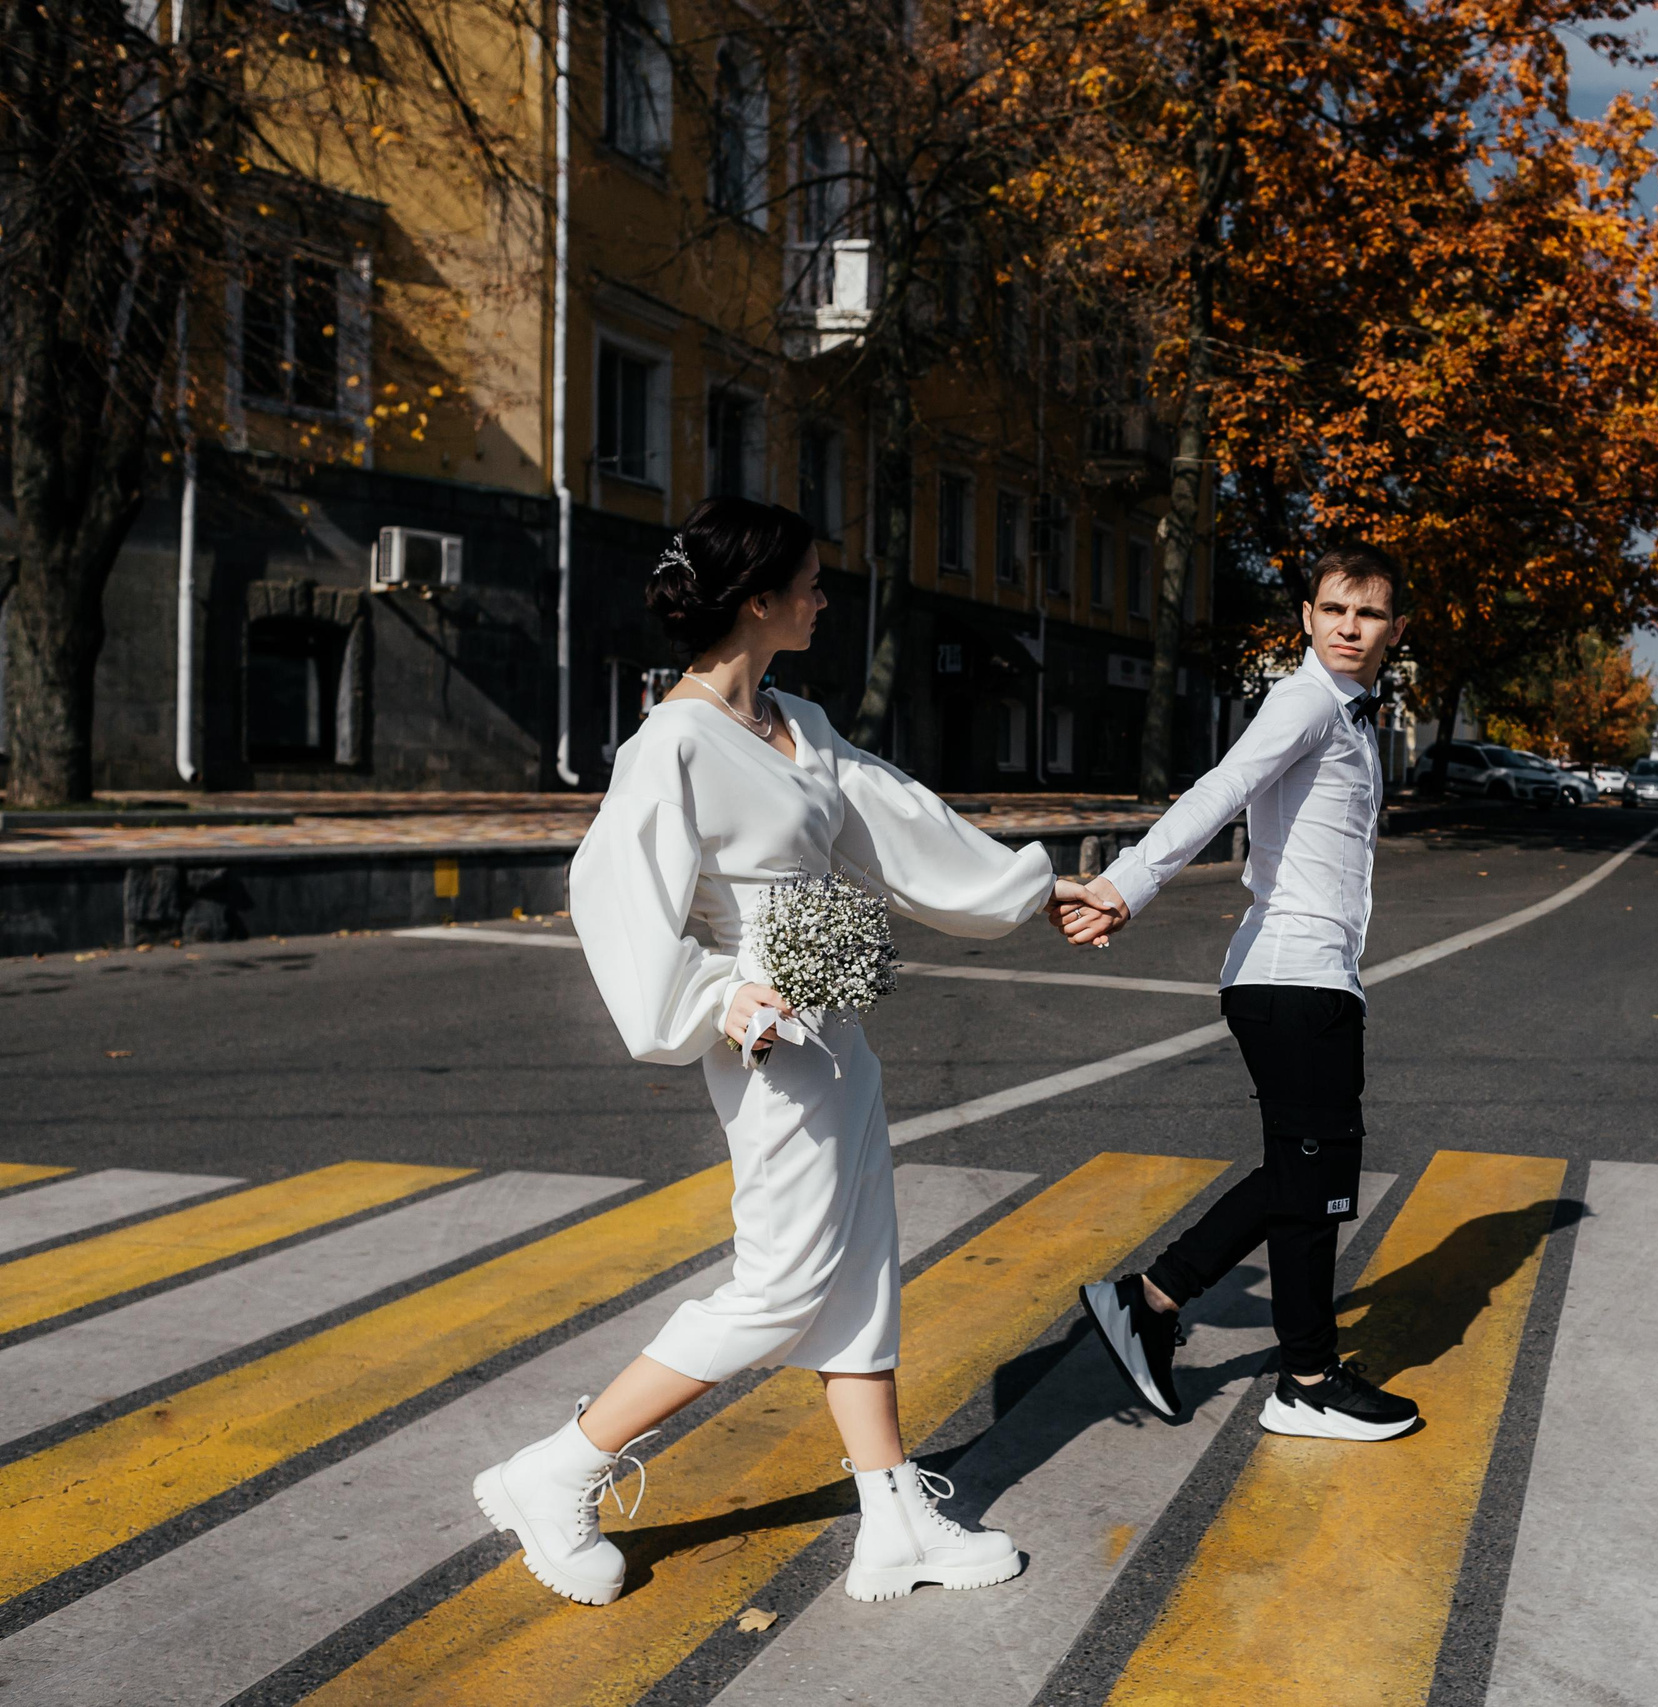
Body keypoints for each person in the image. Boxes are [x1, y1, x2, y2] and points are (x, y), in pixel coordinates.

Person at [473, 496, 1092, 1609]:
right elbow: (611, 894)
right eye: (809, 581)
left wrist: (1037, 889)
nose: (823, 597)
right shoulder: (670, 742)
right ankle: (556, 1470)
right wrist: (719, 992)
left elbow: (899, 820)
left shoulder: (796, 720)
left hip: (836, 1027)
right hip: (763, 1039)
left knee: (858, 1269)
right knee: (780, 1282)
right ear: (756, 600)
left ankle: (893, 1515)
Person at [1055, 543, 1421, 1443]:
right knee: (1313, 1173)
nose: (1348, 626)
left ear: (1394, 631)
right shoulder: (1305, 700)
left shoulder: (1352, 713)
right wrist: (1125, 886)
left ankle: (1244, 1344)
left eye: (1368, 614)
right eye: (1333, 609)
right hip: (1291, 977)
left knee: (1311, 1175)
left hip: (1309, 974)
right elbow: (1222, 789)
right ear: (1307, 617)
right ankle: (1241, 1345)